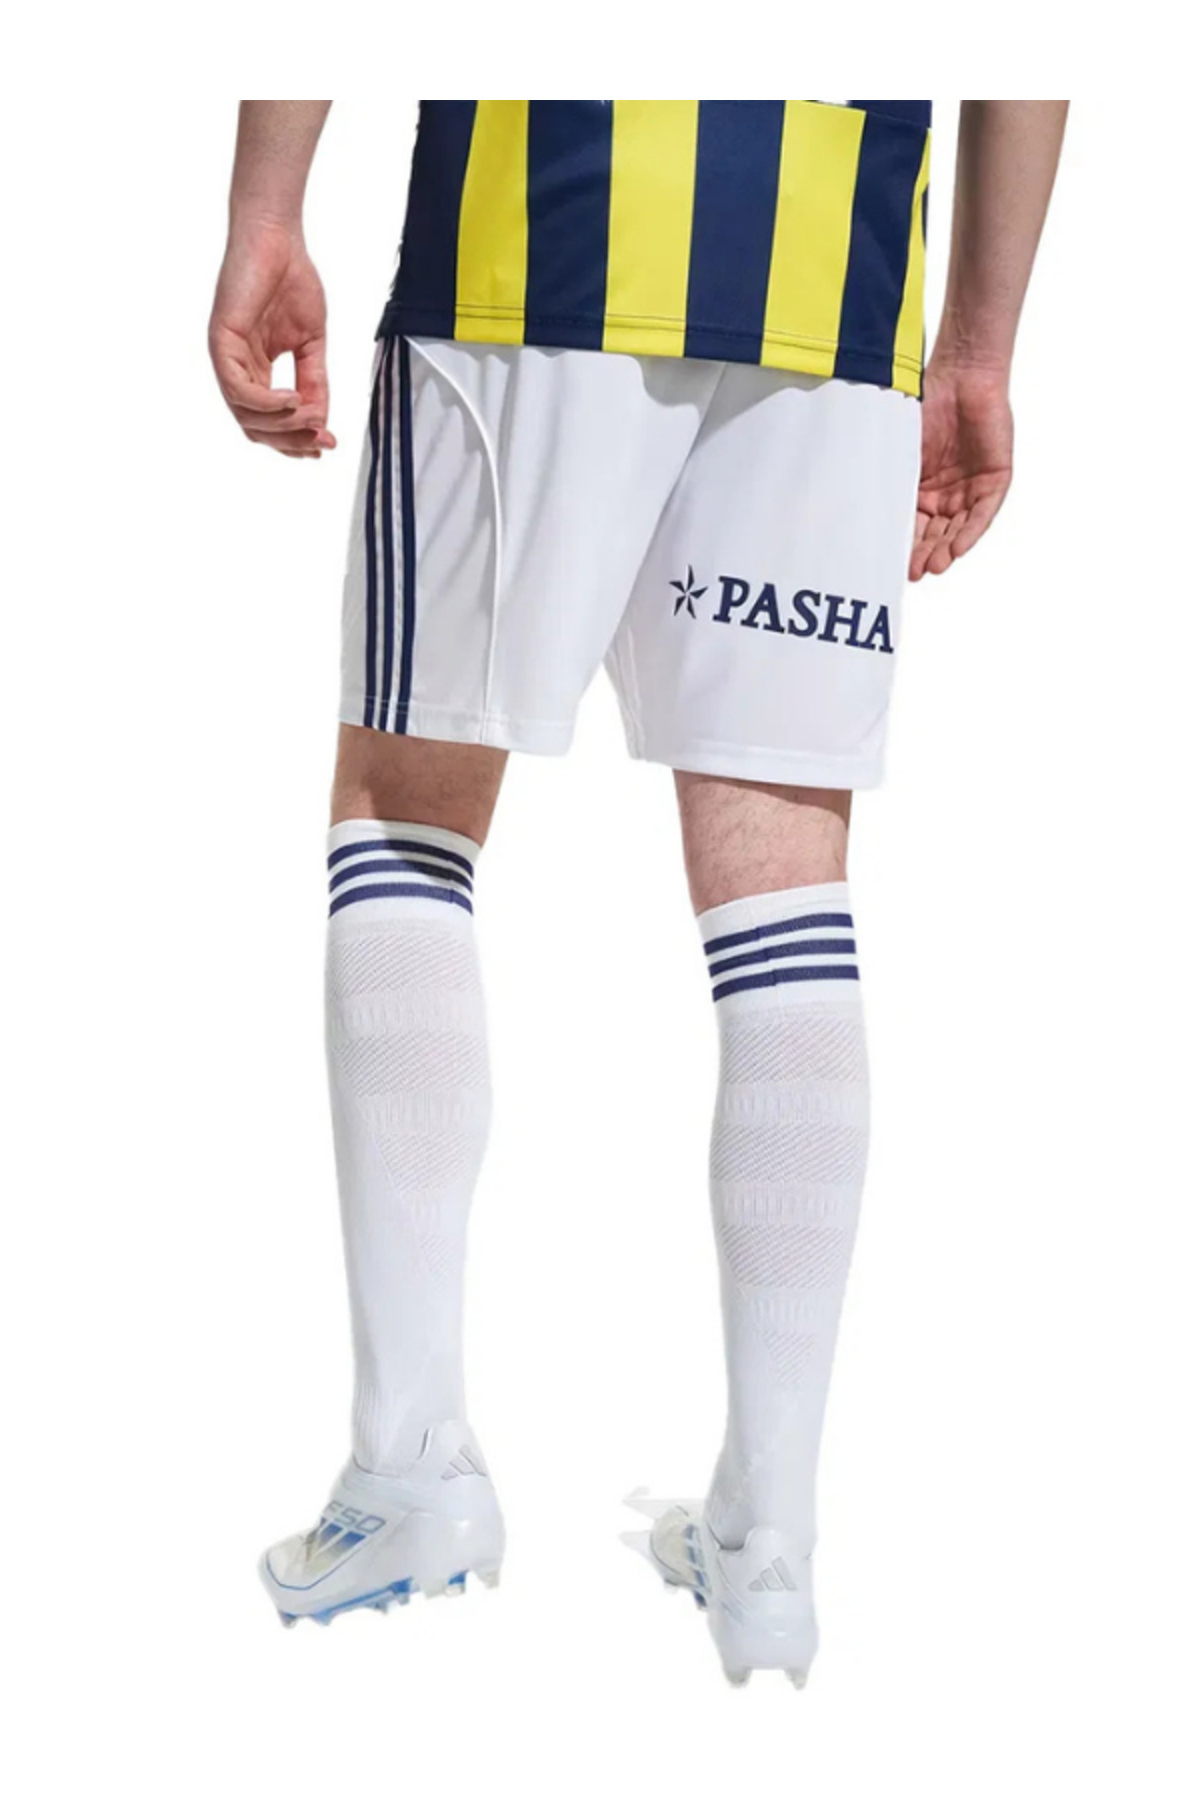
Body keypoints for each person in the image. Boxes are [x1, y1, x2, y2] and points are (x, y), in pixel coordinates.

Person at [209, 98, 1067, 1682]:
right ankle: (773, 1538)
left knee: (406, 818)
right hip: (837, 273)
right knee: (786, 895)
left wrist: (266, 205)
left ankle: (410, 1469)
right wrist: (981, 340)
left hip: (540, 217)